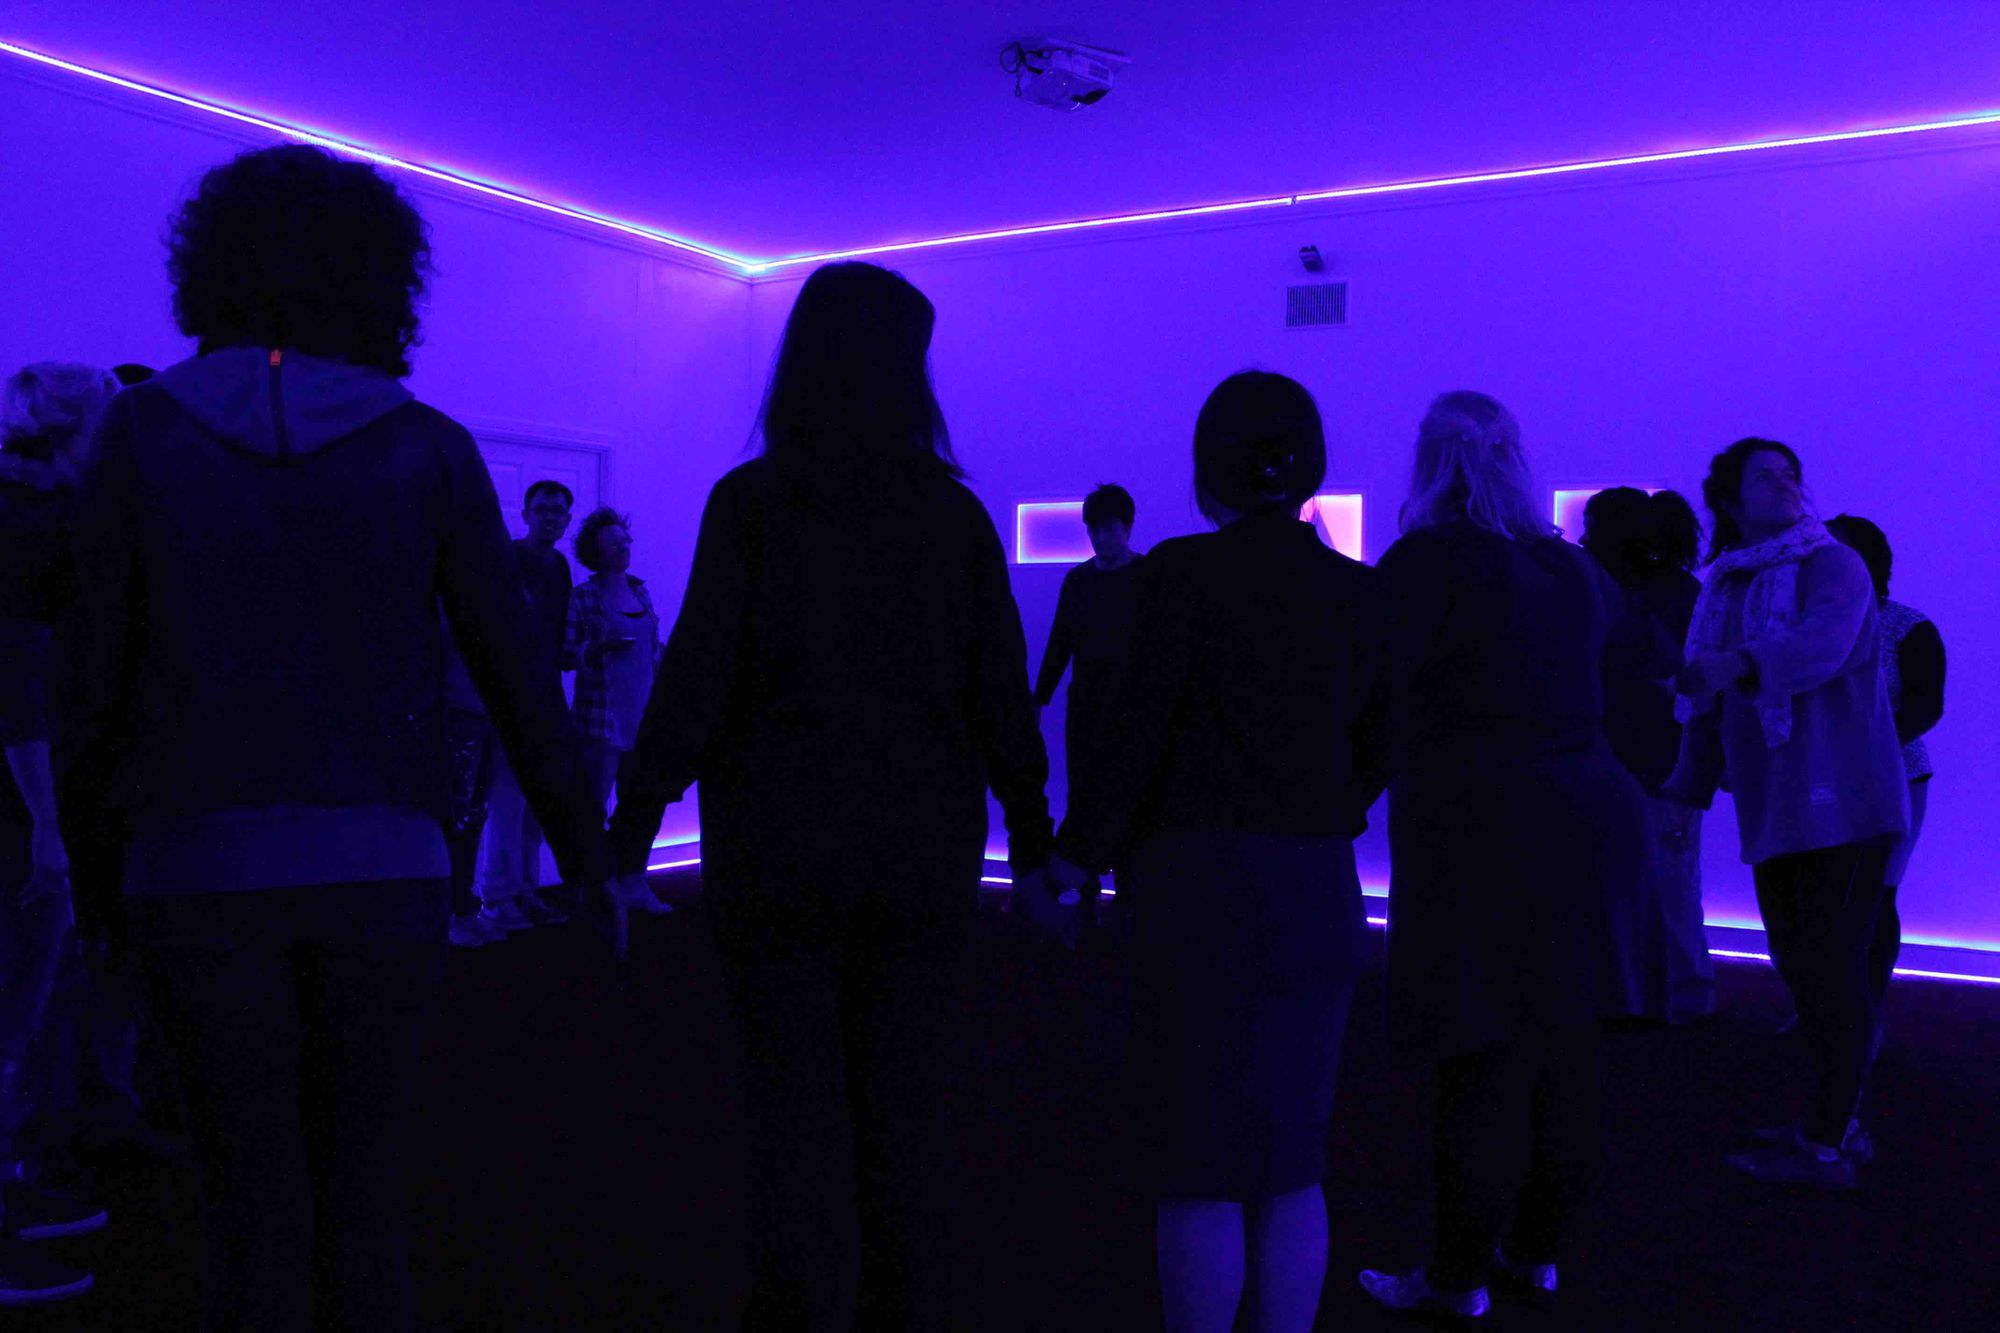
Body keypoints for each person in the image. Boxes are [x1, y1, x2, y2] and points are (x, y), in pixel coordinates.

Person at [55, 143, 616, 1331]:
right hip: (385, 865)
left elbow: (88, 692)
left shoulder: (138, 433)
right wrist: (589, 861)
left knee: (242, 1200)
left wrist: (97, 891)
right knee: (360, 1186)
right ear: (380, 277)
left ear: (206, 266)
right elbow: (520, 682)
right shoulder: (429, 446)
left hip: (189, 867)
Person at [607, 261, 1053, 1330]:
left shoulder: (751, 503)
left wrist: (626, 841)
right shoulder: (951, 517)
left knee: (786, 1113)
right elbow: (999, 693)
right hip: (919, 856)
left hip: (775, 849)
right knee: (901, 1111)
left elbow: (696, 678)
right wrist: (1034, 847)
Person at [1047, 372, 1390, 1333]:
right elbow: (1381, 741)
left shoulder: (1173, 577)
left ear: (1208, 472)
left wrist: (1076, 856)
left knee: (1195, 1160)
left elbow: (1131, 737)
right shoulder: (1361, 595)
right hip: (1319, 886)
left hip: (1195, 889)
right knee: (1291, 1157)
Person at [1358, 391, 1647, 1319]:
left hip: (1480, 824)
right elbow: (1640, 667)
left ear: (1428, 459)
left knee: (1477, 1048)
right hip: (1591, 818)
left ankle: (1456, 1277)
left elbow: (1372, 691)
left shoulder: (1428, 559)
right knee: (1568, 1050)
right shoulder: (1571, 568)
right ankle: (1535, 1252)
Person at [1662, 439, 1906, 1190]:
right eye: (1766, 476)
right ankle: (1837, 1122)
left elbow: (1818, 648)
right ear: (1729, 500)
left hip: (1847, 805)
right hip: (1780, 810)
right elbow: (1703, 708)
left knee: (1829, 974)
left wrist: (1736, 665)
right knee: (1804, 969)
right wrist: (1684, 791)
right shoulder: (1724, 589)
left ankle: (1827, 1142)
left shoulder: (1834, 564)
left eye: (1791, 472)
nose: (1787, 483)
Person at [0, 362, 118, 1307]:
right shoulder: (32, 524)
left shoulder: (26, 509)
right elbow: (20, 688)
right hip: (14, 809)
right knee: (9, 1016)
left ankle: (13, 1196)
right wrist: (47, 827)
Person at [1581, 487, 1713, 1023]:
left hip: (1645, 760)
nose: (1583, 538)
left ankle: (1679, 996)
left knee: (1663, 879)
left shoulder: (1628, 597)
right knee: (1668, 880)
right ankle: (1676, 996)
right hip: (1653, 760)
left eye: (1592, 529)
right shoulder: (1679, 593)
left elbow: (1676, 675)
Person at [1823, 515, 1943, 1016]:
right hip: (1823, 779)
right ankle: (1825, 1008)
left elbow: (1925, 708)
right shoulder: (1815, 627)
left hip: (1894, 777)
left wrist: (1862, 746)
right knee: (1824, 897)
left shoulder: (1907, 627)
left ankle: (1864, 1012)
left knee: (1876, 894)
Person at [1033, 482, 1143, 932]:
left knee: (1126, 802)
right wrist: (1040, 697)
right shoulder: (1078, 581)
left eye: (1108, 528)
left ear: (1126, 527)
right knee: (1086, 799)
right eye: (1094, 529)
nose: (1100, 537)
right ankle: (1091, 898)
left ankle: (1122, 901)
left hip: (1132, 715)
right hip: (1088, 711)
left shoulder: (1146, 578)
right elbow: (1060, 641)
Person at [475, 479, 575, 925]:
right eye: (542, 509)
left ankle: (527, 891)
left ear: (567, 519)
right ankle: (499, 897)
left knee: (536, 799)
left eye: (557, 510)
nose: (550, 516)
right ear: (526, 514)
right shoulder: (508, 559)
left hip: (546, 695)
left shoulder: (558, 565)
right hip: (511, 694)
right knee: (507, 798)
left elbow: (556, 634)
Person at [565, 506, 671, 916]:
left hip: (643, 714)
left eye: (625, 541)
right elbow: (565, 654)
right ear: (597, 550)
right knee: (593, 806)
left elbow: (652, 646)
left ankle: (634, 881)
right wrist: (597, 648)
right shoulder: (584, 596)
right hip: (601, 718)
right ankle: (594, 889)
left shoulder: (640, 590)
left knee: (640, 803)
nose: (624, 548)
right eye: (615, 544)